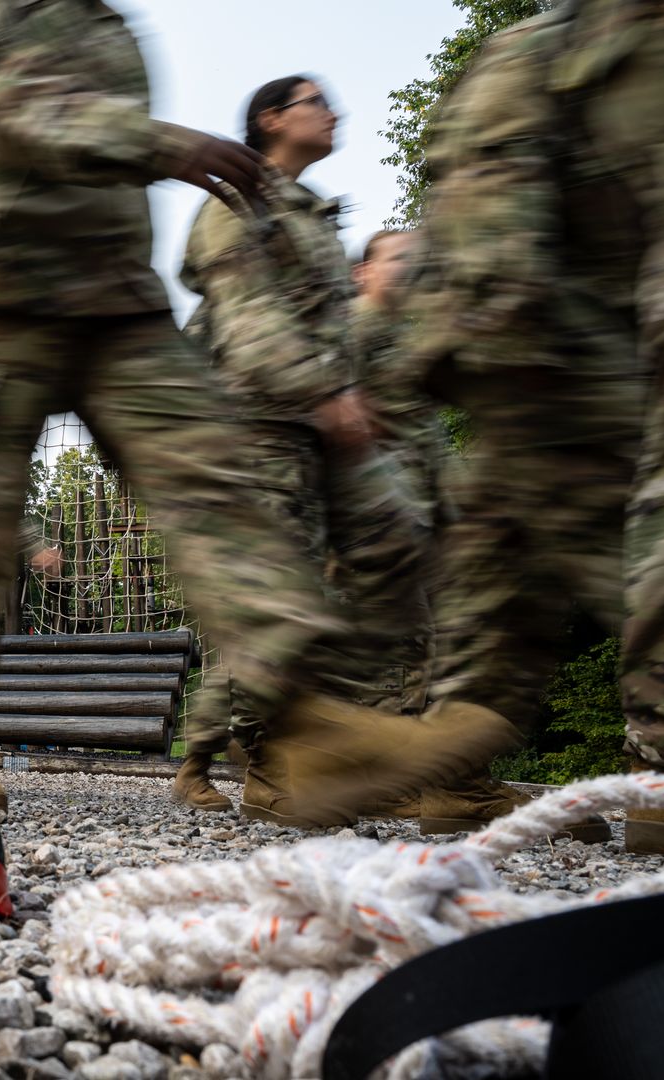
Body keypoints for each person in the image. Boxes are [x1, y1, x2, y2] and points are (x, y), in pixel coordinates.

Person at [0, 0, 517, 826]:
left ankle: (304, 731)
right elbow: (14, 109)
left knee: (224, 496)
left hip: (120, 308)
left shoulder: (108, 23)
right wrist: (165, 143)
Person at [406, 1, 659, 845]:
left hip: (590, 356)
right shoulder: (544, 50)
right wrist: (526, 367)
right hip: (559, 355)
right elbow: (487, 229)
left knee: (509, 566)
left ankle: (441, 767)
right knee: (604, 551)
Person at [173, 76, 432, 817]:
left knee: (392, 564)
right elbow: (250, 325)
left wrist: (357, 397)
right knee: (278, 607)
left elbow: (333, 326)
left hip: (321, 433)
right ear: (272, 119)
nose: (335, 112)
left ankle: (383, 748)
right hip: (260, 432)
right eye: (316, 101)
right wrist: (328, 391)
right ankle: (261, 761)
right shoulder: (241, 204)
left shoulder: (311, 218)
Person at [352, 229, 442, 521]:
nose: (409, 267)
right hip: (387, 492)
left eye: (415, 259)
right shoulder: (352, 326)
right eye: (398, 258)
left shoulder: (402, 330)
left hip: (425, 478)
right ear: (364, 272)